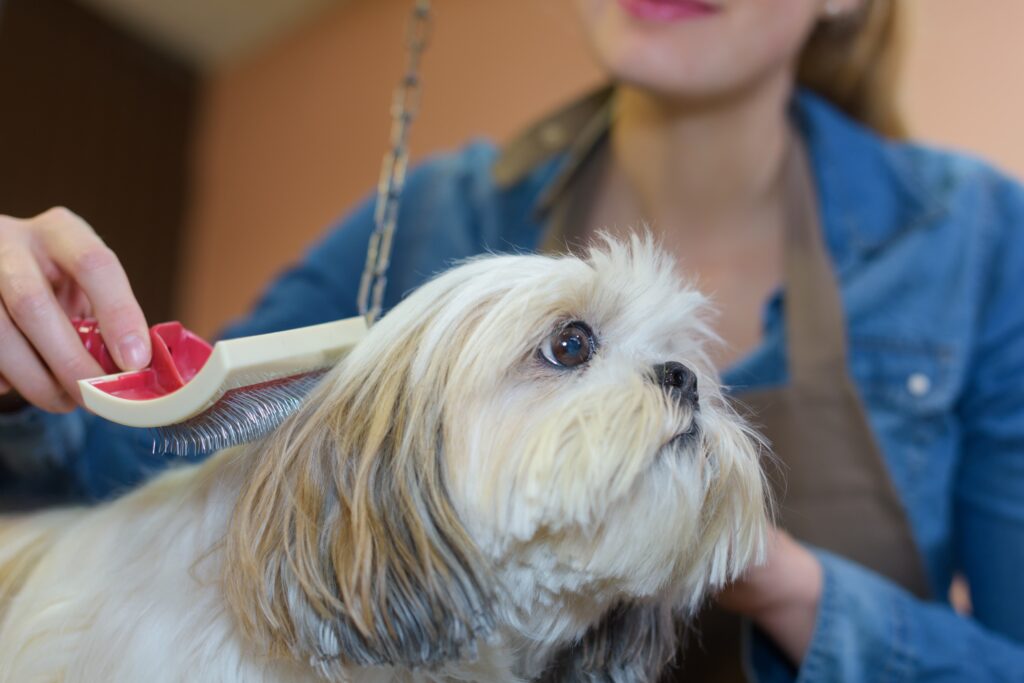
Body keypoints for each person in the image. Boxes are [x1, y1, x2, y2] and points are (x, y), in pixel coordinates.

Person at [1, 0, 1023, 679]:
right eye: (570, 345)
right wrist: (25, 351)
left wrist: (788, 583)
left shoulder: (978, 239)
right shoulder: (428, 212)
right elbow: (150, 456)